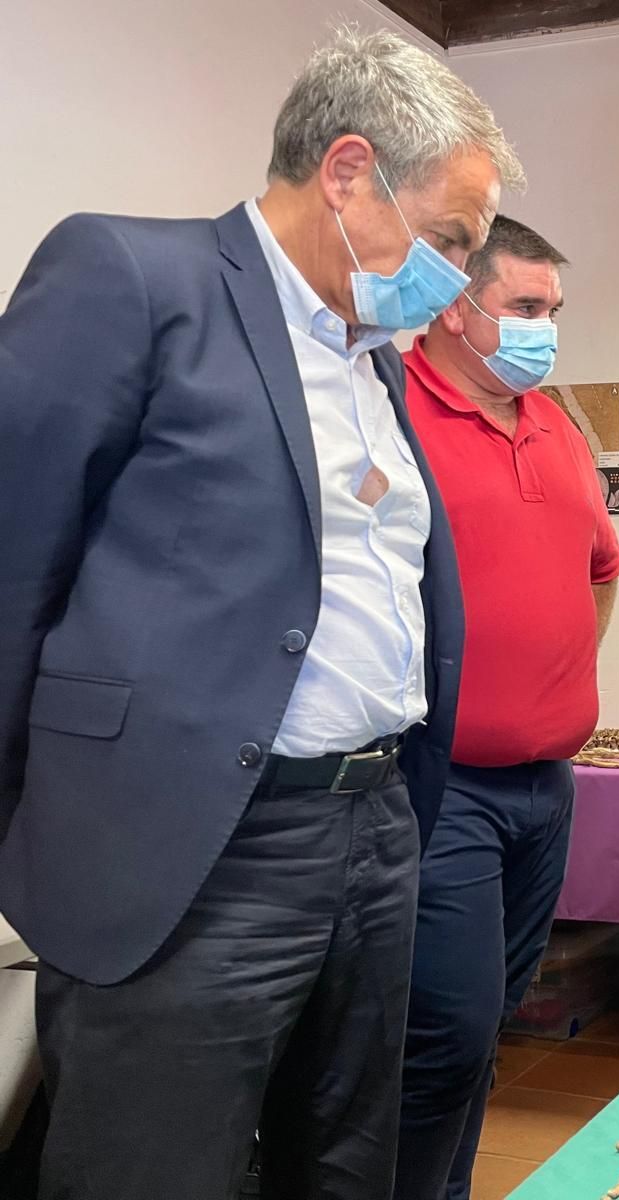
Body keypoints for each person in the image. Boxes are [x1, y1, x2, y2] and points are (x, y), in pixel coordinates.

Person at [0, 29, 523, 1200]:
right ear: (348, 172)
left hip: (374, 827)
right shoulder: (134, 279)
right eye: (450, 238)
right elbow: (12, 558)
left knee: (341, 1169)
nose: (454, 274)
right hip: (195, 846)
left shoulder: (372, 357)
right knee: (157, 1170)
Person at [395, 217, 619, 1200]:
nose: (545, 332)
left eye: (553, 312)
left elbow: (601, 570)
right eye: (526, 309)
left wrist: (555, 676)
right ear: (455, 303)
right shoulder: (392, 409)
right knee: (440, 1033)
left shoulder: (555, 427)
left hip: (547, 787)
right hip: (442, 788)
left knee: (481, 1028)